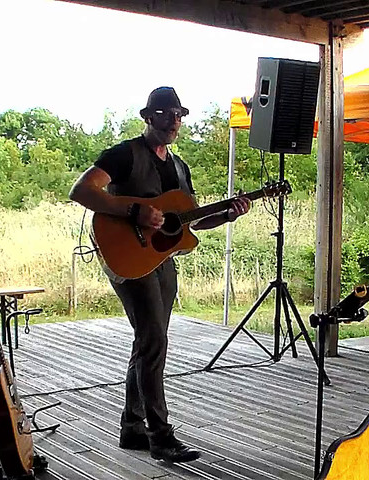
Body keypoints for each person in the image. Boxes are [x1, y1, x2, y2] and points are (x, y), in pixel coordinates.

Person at [68, 87, 251, 463]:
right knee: (154, 341)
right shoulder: (123, 154)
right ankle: (161, 436)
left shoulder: (179, 167)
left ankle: (133, 428)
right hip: (128, 256)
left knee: (148, 341)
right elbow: (82, 190)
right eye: (165, 114)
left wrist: (228, 214)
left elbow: (190, 221)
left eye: (178, 115)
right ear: (148, 116)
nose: (173, 121)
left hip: (161, 259)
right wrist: (135, 210)